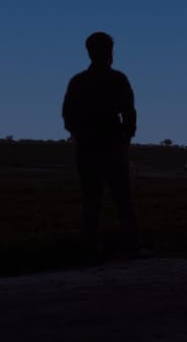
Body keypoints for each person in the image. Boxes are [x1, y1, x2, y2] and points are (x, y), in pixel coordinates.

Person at [62, 31, 139, 257]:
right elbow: (129, 114)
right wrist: (124, 140)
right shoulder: (117, 79)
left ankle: (91, 248)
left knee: (92, 201)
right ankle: (131, 245)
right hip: (112, 146)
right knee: (122, 199)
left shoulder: (78, 81)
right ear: (109, 53)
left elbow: (68, 117)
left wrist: (82, 137)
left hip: (89, 149)